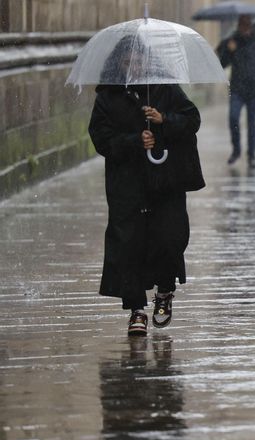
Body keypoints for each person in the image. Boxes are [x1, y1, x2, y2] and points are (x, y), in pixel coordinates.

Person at [88, 42, 204, 335]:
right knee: (129, 243)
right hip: (126, 185)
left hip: (165, 181)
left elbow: (192, 119)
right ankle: (137, 309)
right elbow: (101, 139)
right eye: (128, 64)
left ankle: (165, 291)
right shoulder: (107, 97)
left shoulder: (165, 88)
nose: (134, 69)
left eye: (139, 63)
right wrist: (134, 141)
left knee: (170, 238)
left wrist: (164, 121)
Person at [217, 14, 255, 167]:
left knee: (252, 122)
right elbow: (223, 63)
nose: (245, 30)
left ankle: (251, 155)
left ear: (251, 27)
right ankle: (236, 150)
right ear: (239, 26)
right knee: (233, 118)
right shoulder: (233, 40)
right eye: (242, 27)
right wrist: (228, 50)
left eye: (247, 27)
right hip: (237, 89)